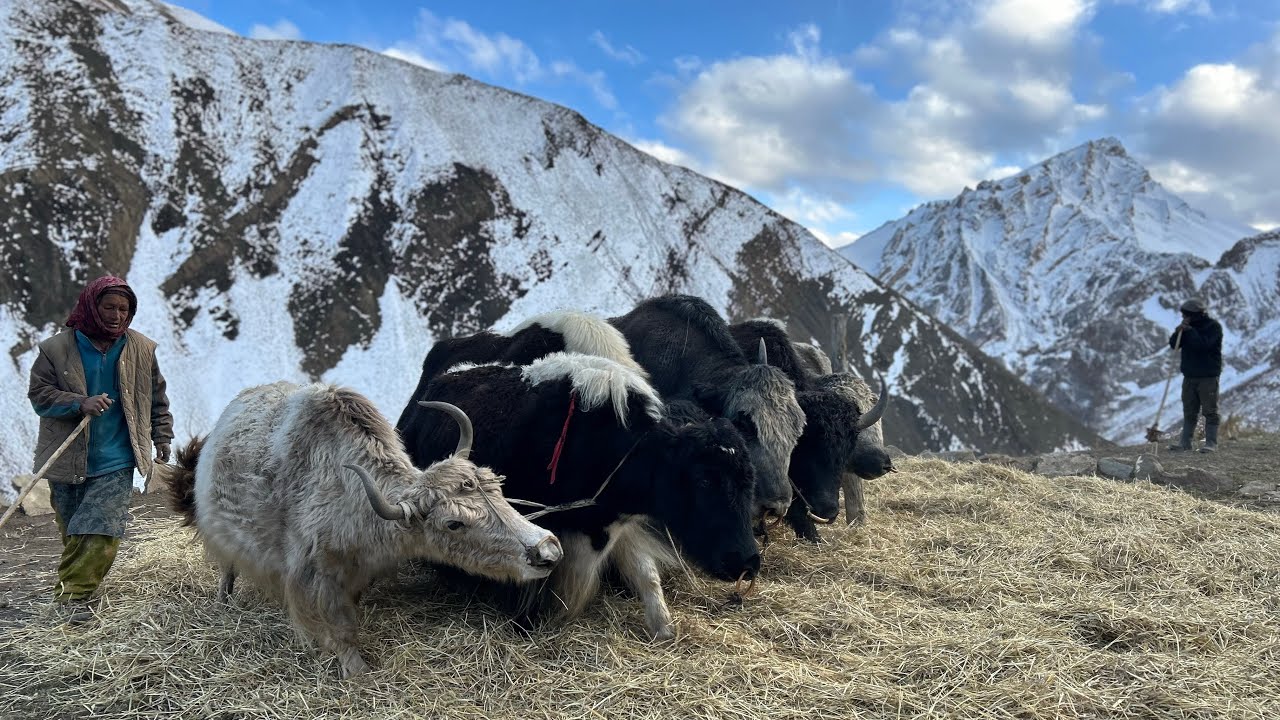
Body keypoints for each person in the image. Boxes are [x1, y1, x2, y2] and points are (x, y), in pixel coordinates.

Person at [27, 275, 173, 624]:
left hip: (117, 457)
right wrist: (79, 402)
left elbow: (156, 397)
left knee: (101, 529)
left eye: (124, 309)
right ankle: (75, 584)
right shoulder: (56, 349)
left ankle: (72, 599)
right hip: (67, 456)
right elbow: (39, 395)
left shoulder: (141, 349)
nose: (117, 315)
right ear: (92, 307)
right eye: (109, 307)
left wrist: (162, 436)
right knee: (75, 531)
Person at [1167, 298, 1223, 453]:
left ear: (1196, 314)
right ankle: (1185, 443)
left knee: (1210, 411)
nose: (1184, 317)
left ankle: (1211, 443)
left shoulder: (1213, 327)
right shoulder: (1187, 329)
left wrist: (1190, 331)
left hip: (1208, 376)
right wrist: (1178, 332)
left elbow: (1203, 346)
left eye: (1186, 315)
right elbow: (1174, 345)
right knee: (1189, 410)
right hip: (1190, 376)